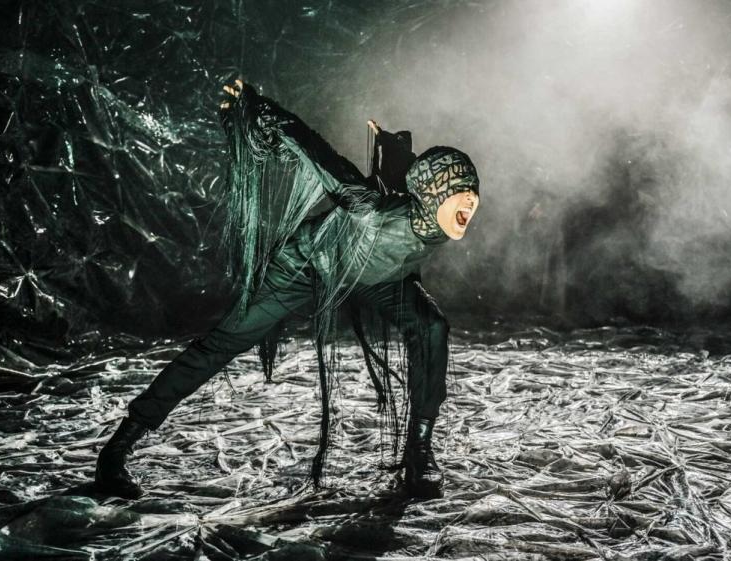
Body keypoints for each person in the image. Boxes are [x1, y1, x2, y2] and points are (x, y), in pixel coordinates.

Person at [94, 79, 481, 500]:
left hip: (379, 277)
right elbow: (316, 151)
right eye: (458, 193)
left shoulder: (435, 214)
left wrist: (392, 145)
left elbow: (411, 169)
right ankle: (118, 447)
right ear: (431, 194)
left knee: (431, 327)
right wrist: (256, 107)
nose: (469, 203)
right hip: (308, 265)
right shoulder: (368, 207)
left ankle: (419, 453)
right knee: (222, 343)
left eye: (472, 194)